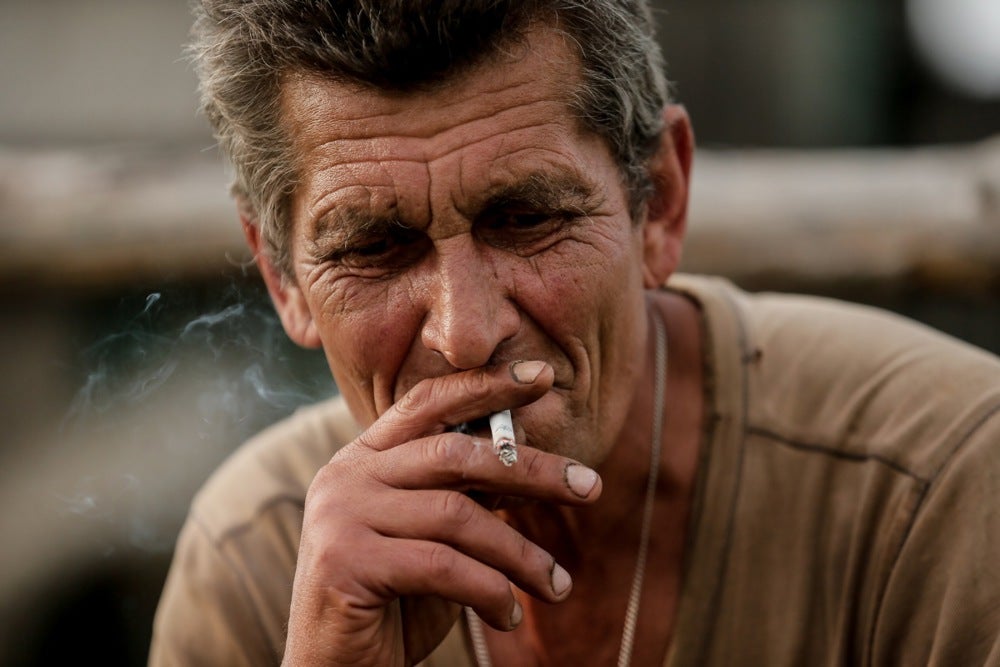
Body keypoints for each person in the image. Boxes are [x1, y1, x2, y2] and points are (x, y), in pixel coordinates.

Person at [149, 1, 1000, 665]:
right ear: (284, 278)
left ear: (658, 202)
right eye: (375, 247)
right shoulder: (259, 563)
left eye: (525, 219)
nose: (467, 332)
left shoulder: (943, 491)